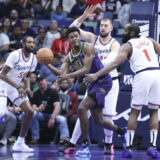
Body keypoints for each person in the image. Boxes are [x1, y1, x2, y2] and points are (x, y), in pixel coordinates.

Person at [84, 23, 160, 159]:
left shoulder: (127, 45)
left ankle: (129, 148)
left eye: (125, 30)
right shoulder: (150, 40)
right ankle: (153, 147)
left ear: (131, 33)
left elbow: (114, 64)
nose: (123, 32)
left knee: (135, 111)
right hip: (156, 73)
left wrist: (96, 74)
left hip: (142, 74)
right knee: (154, 111)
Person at [47, 26, 126, 156]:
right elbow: (61, 74)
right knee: (98, 120)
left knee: (82, 109)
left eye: (76, 36)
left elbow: (86, 69)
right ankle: (121, 131)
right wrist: (47, 64)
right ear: (68, 40)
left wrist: (68, 76)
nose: (74, 39)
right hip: (91, 84)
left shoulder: (88, 47)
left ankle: (84, 145)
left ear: (79, 37)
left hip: (103, 82)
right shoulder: (69, 57)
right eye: (71, 37)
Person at [60, 5, 120, 155]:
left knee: (107, 116)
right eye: (101, 25)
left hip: (108, 80)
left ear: (111, 28)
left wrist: (95, 68)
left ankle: (108, 143)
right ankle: (73, 143)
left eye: (106, 26)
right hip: (93, 81)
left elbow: (111, 61)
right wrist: (83, 17)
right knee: (83, 111)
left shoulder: (115, 43)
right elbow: (72, 30)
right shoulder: (93, 39)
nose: (103, 28)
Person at [0, 36, 37, 152]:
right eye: (29, 42)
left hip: (15, 87)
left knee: (30, 112)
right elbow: (2, 74)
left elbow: (27, 75)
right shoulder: (15, 55)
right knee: (1, 113)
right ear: (23, 44)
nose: (32, 44)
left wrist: (27, 87)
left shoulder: (33, 59)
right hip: (3, 84)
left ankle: (20, 142)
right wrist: (18, 86)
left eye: (33, 42)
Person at [29, 76, 70, 144]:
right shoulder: (36, 93)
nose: (41, 82)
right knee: (33, 115)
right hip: (41, 114)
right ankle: (35, 138)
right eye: (39, 81)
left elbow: (57, 106)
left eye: (42, 80)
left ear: (46, 82)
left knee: (63, 119)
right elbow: (33, 107)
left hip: (52, 114)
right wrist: (38, 108)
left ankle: (64, 138)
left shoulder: (53, 92)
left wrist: (52, 117)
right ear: (37, 83)